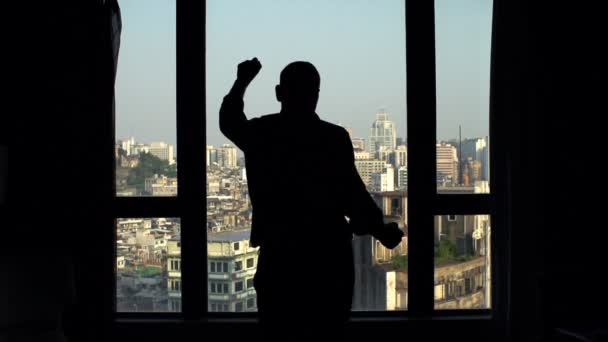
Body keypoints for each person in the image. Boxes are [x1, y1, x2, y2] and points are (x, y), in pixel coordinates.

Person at [219, 58, 404, 335]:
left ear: (279, 93)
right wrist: (380, 230)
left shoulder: (262, 133)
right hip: (328, 260)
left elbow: (229, 121)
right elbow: (353, 196)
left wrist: (242, 81)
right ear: (316, 94)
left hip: (280, 258)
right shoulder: (333, 138)